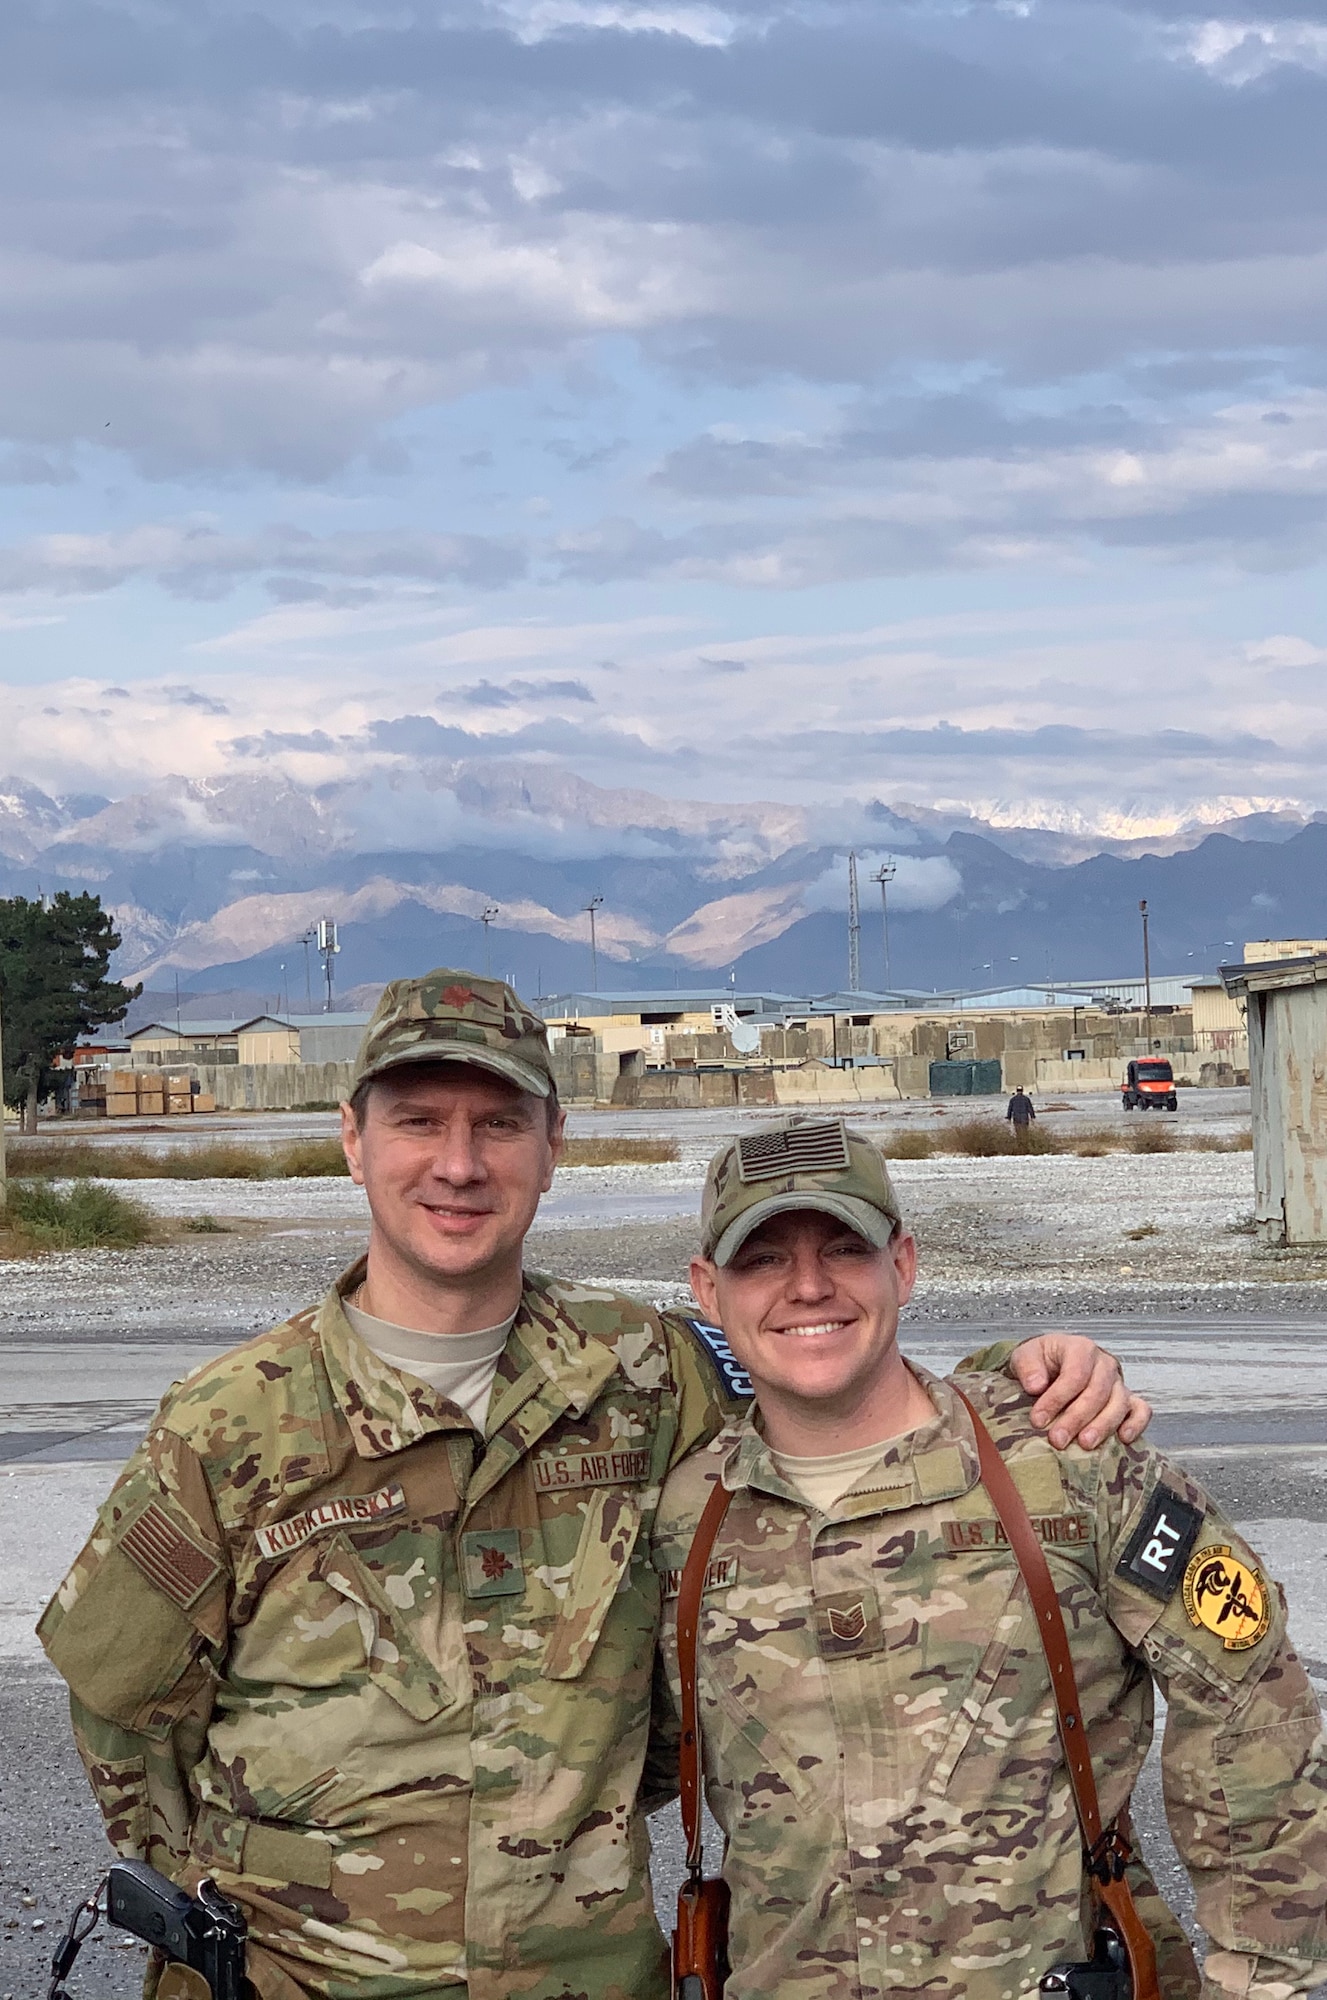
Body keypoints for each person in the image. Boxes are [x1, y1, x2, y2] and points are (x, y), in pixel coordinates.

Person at [40, 974, 1148, 2000]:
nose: (459, 1163)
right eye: (419, 1119)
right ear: (353, 1139)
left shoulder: (646, 1374)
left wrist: (1020, 1375)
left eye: (499, 1123)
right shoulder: (233, 1418)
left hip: (587, 1973)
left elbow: (836, 1416)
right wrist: (256, 1887)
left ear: (553, 1144)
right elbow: (125, 1709)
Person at [654, 1117, 1327, 2000]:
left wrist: (1266, 1980)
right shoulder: (683, 1518)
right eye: (762, 1260)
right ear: (709, 1289)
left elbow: (1248, 1705)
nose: (808, 1286)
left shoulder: (1070, 1459)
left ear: (902, 1264)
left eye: (843, 1249)